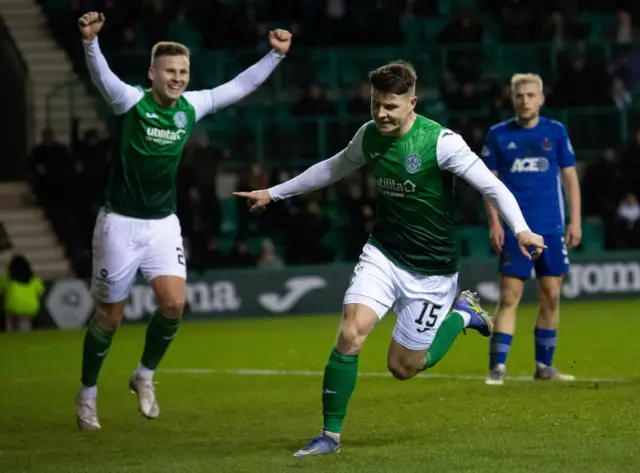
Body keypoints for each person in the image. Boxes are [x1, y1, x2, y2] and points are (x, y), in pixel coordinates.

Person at [234, 60, 545, 456]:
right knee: (350, 332)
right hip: (384, 253)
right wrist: (273, 193)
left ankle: (463, 315)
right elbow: (332, 168)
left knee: (403, 368)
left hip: (432, 271)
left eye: (391, 106)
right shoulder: (369, 136)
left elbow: (492, 186)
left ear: (412, 103)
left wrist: (520, 229)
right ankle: (330, 436)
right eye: (376, 104)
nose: (381, 113)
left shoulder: (441, 142)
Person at [74, 11, 292, 431]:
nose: (178, 78)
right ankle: (87, 394)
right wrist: (89, 43)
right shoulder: (132, 102)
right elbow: (103, 78)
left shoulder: (191, 105)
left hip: (161, 223)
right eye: (170, 71)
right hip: (119, 223)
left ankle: (144, 375)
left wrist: (275, 56)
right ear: (151, 74)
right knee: (109, 317)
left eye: (183, 71)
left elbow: (237, 87)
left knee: (174, 304)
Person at [481, 73, 582, 385]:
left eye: (530, 95)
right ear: (512, 99)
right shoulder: (498, 134)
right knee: (510, 296)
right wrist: (495, 223)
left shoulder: (556, 131)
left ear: (541, 99)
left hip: (551, 226)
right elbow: (489, 184)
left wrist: (575, 219)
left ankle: (544, 367)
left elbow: (569, 178)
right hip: (515, 229)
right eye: (519, 96)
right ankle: (497, 369)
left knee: (551, 295)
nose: (525, 100)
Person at [0, 254, 45, 332]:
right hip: (30, 309)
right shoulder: (35, 279)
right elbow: (41, 291)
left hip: (13, 310)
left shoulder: (7, 279)